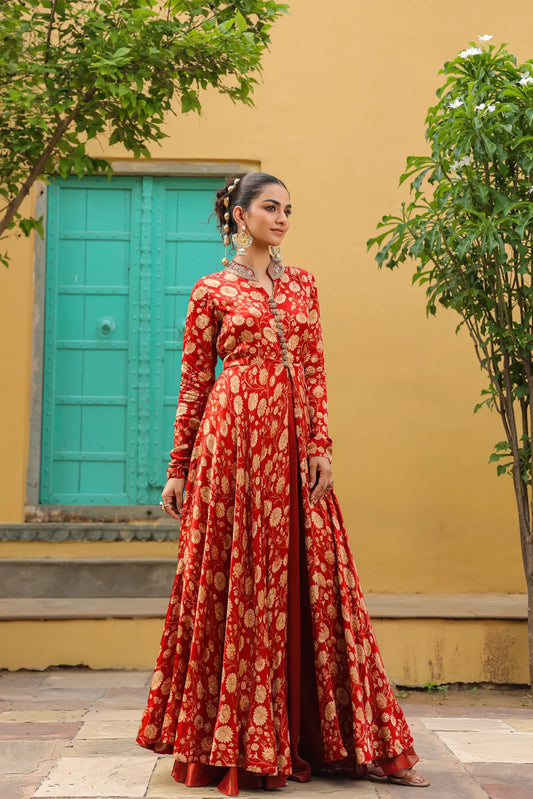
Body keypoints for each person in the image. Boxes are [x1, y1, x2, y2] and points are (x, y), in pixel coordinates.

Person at [136, 172, 429, 792]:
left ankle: (340, 741)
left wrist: (320, 445)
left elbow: (315, 368)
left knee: (321, 580)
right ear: (240, 216)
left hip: (294, 448)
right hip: (232, 448)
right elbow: (194, 383)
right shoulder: (210, 289)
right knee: (238, 583)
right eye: (271, 208)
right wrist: (177, 467)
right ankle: (237, 744)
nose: (283, 218)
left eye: (289, 209)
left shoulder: (302, 286)